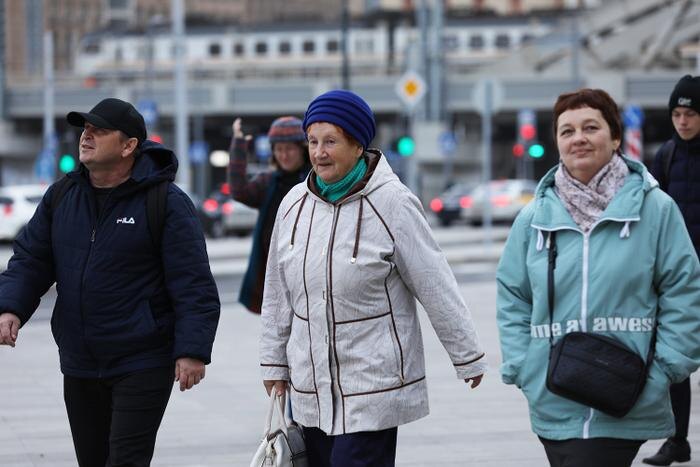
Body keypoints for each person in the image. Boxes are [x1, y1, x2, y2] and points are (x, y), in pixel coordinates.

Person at [259, 89, 487, 466]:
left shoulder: (393, 202)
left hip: (373, 387)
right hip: (310, 388)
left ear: (357, 144)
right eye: (313, 142)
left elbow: (433, 281)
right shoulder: (293, 205)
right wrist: (273, 363)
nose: (319, 153)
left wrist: (467, 355)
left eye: (330, 142)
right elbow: (277, 293)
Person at [0, 98, 220, 467]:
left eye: (99, 131)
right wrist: (10, 307)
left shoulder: (166, 202)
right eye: (85, 129)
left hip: (143, 359)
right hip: (80, 359)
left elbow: (193, 283)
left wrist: (192, 350)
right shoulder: (62, 196)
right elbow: (31, 259)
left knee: (125, 461)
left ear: (129, 145)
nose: (86, 136)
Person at [496, 88, 700, 467]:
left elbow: (684, 290)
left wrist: (666, 368)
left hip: (624, 395)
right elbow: (513, 295)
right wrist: (524, 367)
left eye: (591, 127)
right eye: (567, 131)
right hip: (553, 398)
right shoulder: (533, 218)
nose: (579, 138)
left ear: (616, 137)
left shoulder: (656, 210)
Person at [644, 74, 700, 466]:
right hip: (679, 279)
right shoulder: (666, 156)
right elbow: (653, 217)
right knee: (676, 361)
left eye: (690, 114)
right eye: (677, 114)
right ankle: (677, 440)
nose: (682, 121)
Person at [227, 116, 310, 314]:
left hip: (306, 268)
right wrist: (238, 145)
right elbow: (239, 191)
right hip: (274, 270)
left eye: (289, 149)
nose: (284, 155)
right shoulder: (268, 182)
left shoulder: (314, 180)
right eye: (278, 149)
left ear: (302, 149)